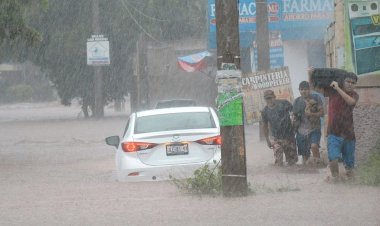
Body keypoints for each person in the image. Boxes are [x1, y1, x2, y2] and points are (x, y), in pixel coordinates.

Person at [326, 72, 359, 180]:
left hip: (349, 134)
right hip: (333, 133)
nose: (350, 84)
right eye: (348, 82)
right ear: (343, 82)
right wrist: (310, 74)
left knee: (349, 167)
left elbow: (351, 102)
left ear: (355, 85)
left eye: (353, 83)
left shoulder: (354, 95)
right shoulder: (332, 92)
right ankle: (335, 180)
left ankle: (350, 185)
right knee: (333, 159)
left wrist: (338, 88)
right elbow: (316, 88)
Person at [261, 90, 298, 166]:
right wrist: (268, 140)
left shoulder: (284, 103)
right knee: (279, 163)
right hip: (276, 139)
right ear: (265, 99)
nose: (269, 100)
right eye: (267, 99)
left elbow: (294, 113)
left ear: (274, 97)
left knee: (292, 163)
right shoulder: (265, 111)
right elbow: (265, 126)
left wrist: (294, 126)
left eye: (270, 98)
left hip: (289, 137)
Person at [293, 81, 324, 165]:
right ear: (299, 90)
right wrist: (293, 122)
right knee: (305, 158)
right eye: (302, 89)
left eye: (306, 89)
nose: (304, 91)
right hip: (301, 131)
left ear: (309, 90)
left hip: (314, 128)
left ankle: (318, 165)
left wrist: (311, 114)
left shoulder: (316, 98)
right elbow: (295, 117)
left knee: (314, 146)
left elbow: (322, 113)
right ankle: (309, 172)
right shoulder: (296, 102)